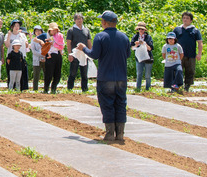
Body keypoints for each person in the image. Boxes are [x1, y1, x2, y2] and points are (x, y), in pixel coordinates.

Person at [77, 10, 131, 143]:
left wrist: (83, 48)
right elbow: (128, 54)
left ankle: (109, 133)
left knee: (107, 104)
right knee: (120, 104)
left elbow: (94, 54)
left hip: (106, 77)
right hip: (121, 77)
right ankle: (120, 134)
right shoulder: (124, 37)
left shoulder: (100, 37)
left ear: (105, 22)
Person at [173, 12, 202, 92]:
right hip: (179, 54)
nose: (185, 20)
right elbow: (171, 41)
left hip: (191, 54)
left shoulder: (195, 30)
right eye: (184, 18)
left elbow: (200, 42)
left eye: (187, 18)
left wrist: (199, 54)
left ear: (191, 20)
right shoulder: (177, 29)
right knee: (178, 70)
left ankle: (187, 86)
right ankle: (177, 85)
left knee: (190, 71)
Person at [66, 13, 92, 92]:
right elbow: (68, 43)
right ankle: (69, 88)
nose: (79, 20)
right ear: (74, 20)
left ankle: (84, 89)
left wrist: (90, 53)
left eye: (80, 18)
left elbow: (89, 42)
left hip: (84, 54)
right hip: (75, 54)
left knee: (84, 73)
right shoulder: (71, 30)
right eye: (77, 19)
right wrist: (70, 54)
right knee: (73, 72)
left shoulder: (86, 30)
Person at [5, 19, 29, 90]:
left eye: (18, 26)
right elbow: (7, 45)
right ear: (12, 27)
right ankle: (11, 89)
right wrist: (9, 36)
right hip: (12, 58)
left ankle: (22, 89)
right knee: (11, 75)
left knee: (22, 75)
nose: (16, 27)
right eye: (15, 26)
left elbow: (26, 45)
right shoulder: (8, 34)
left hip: (21, 57)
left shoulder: (22, 35)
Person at [130, 21, 154, 92]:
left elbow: (150, 48)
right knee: (139, 74)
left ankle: (148, 88)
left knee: (147, 75)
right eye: (139, 29)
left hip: (148, 57)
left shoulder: (148, 37)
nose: (141, 30)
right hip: (139, 57)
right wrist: (136, 45)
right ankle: (138, 88)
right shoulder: (135, 37)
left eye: (142, 29)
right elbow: (132, 47)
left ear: (145, 30)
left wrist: (144, 43)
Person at [43, 22, 64, 94]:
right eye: (53, 30)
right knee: (49, 73)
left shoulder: (59, 36)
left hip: (57, 54)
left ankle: (53, 88)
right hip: (50, 55)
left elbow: (61, 44)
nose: (55, 31)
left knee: (57, 73)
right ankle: (46, 89)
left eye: (55, 30)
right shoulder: (46, 36)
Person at [29, 25, 45, 92]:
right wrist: (42, 55)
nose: (38, 32)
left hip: (44, 59)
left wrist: (44, 56)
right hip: (37, 59)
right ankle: (35, 89)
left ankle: (45, 89)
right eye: (36, 31)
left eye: (39, 31)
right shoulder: (33, 40)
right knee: (36, 75)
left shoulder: (44, 39)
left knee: (46, 74)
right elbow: (34, 51)